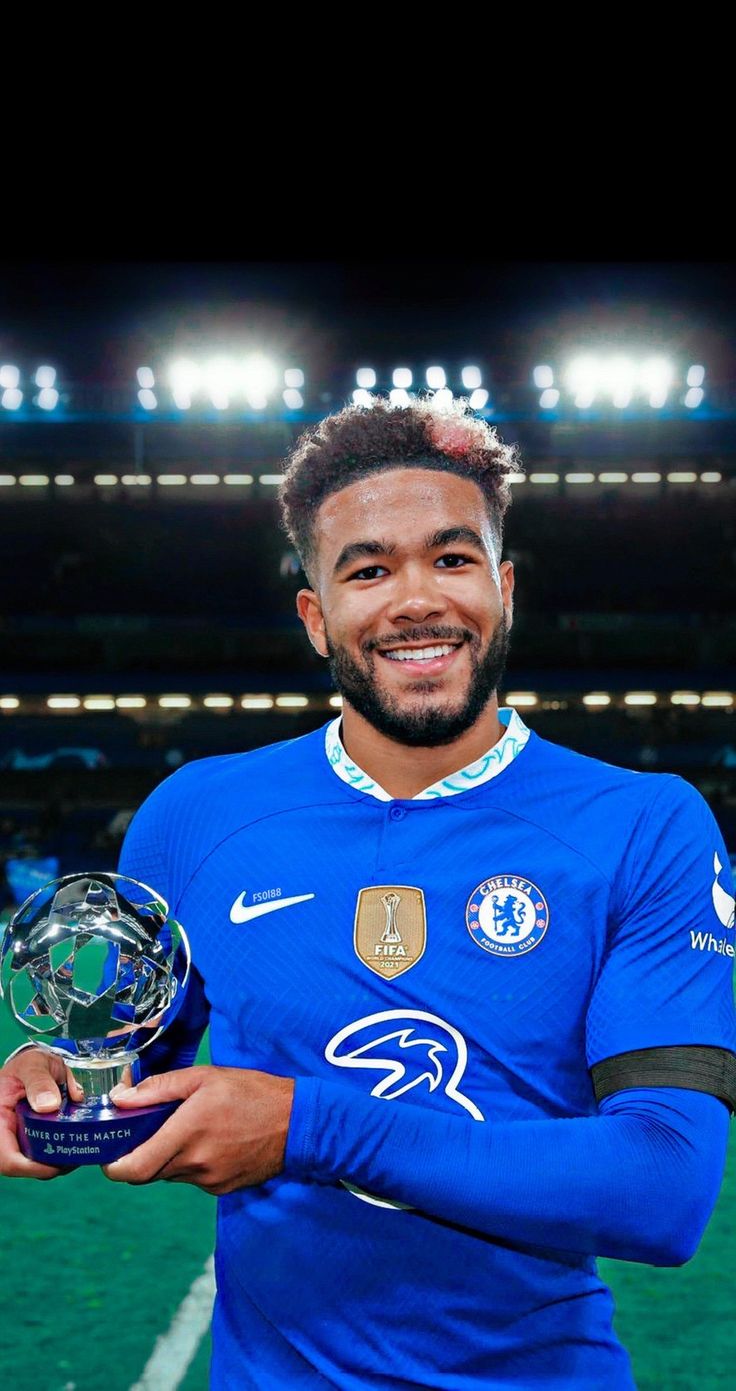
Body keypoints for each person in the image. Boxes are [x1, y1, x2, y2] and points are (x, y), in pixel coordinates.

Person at [2, 396, 735, 1391]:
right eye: (368, 568)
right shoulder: (194, 814)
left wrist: (307, 1128)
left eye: (452, 557)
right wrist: (53, 1082)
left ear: (503, 588)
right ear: (316, 616)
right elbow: (133, 1063)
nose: (415, 598)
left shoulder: (644, 825)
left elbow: (662, 1190)